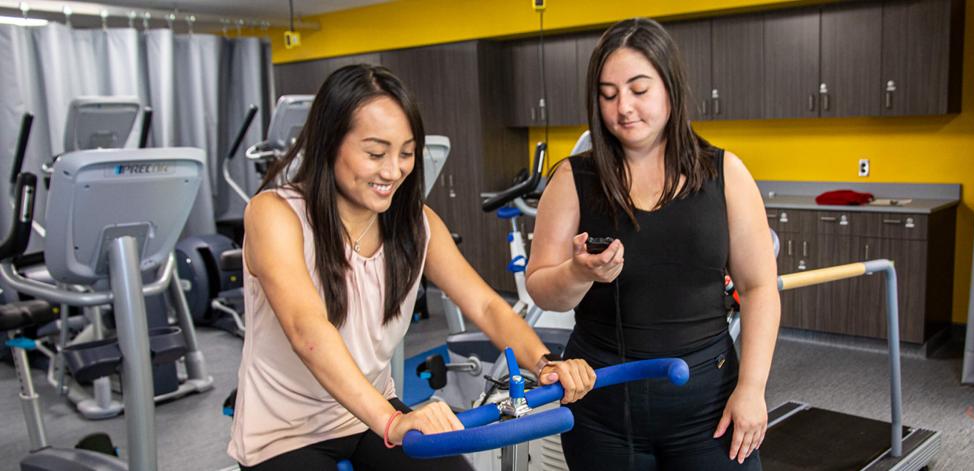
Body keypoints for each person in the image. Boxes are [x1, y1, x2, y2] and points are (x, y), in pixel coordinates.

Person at [228, 64, 596, 470]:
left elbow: (487, 306)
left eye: (405, 153)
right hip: (285, 434)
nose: (393, 171)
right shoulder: (275, 215)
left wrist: (544, 364)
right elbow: (306, 328)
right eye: (375, 153)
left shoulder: (416, 224)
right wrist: (392, 421)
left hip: (367, 414)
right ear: (330, 143)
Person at [526, 18, 780, 470]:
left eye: (639, 90)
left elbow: (760, 287)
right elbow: (543, 289)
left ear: (669, 87)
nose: (623, 107)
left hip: (710, 407)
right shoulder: (572, 179)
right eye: (608, 94)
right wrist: (578, 272)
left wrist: (753, 389)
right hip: (602, 407)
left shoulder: (725, 175)